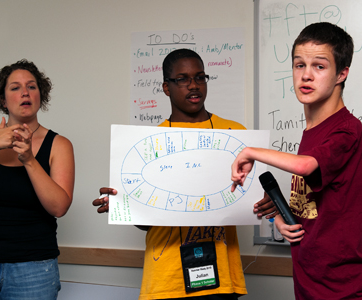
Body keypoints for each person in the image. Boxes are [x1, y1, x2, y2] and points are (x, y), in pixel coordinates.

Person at [93, 49, 277, 300]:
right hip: (166, 276)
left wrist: (265, 202)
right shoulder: (148, 144)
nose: (193, 85)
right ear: (166, 87)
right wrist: (124, 205)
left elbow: (253, 196)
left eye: (200, 77)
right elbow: (147, 222)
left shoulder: (236, 134)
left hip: (221, 275)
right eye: (182, 79)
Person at [231, 22, 362, 299]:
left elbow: (305, 167)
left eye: (319, 66)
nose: (306, 76)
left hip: (344, 287)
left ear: (342, 73)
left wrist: (250, 151)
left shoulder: (347, 130)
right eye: (299, 65)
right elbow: (317, 207)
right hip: (307, 279)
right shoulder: (312, 132)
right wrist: (281, 218)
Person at [0, 59, 75, 300]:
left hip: (34, 269)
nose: (25, 92)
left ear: (40, 95)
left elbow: (59, 207)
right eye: (15, 87)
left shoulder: (59, 145)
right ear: (2, 100)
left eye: (32, 86)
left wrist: (29, 159)